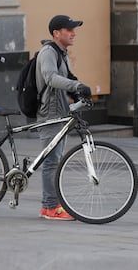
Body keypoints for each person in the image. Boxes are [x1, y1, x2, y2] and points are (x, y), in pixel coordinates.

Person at [36, 15, 91, 220]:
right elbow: (50, 77)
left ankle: (50, 205)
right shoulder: (48, 52)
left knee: (55, 159)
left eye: (74, 29)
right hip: (50, 112)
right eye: (69, 30)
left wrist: (78, 93)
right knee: (51, 161)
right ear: (56, 33)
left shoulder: (62, 53)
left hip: (60, 111)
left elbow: (66, 79)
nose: (73, 33)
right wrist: (75, 86)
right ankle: (49, 207)